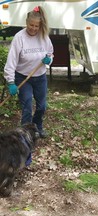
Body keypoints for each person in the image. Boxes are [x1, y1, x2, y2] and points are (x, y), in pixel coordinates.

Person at [4, 6, 53, 138]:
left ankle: (37, 128)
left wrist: (49, 60)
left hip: (40, 77)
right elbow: (11, 61)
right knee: (27, 106)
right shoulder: (19, 38)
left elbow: (50, 53)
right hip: (23, 77)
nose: (33, 28)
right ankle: (24, 135)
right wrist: (11, 82)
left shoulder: (44, 37)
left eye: (37, 26)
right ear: (26, 23)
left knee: (42, 107)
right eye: (31, 25)